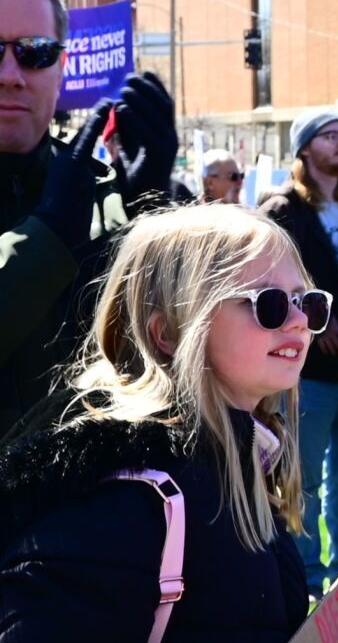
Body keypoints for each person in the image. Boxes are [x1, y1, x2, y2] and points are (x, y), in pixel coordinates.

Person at [0, 205, 316, 639]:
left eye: (307, 301)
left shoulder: (243, 456)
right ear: (168, 333)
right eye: (271, 303)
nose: (300, 322)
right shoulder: (122, 498)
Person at [0, 0, 177, 429]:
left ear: (61, 68)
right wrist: (50, 234)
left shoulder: (99, 190)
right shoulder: (73, 198)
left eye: (35, 52)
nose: (10, 75)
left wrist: (151, 219)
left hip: (82, 495)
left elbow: (159, 355)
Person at [258, 108, 338, 598]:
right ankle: (304, 578)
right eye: (329, 136)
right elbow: (264, 278)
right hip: (310, 369)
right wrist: (309, 320)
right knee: (300, 479)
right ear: (304, 148)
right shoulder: (283, 209)